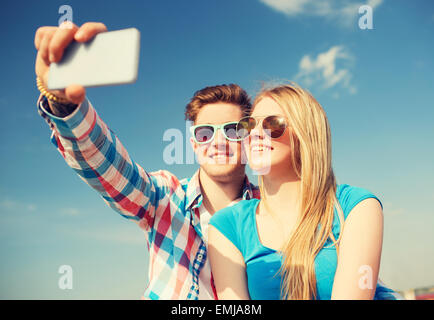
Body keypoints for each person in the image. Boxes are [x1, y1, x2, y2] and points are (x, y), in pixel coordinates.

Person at [34, 21, 259, 299]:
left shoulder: (268, 210)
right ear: (193, 144)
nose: (219, 141)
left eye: (233, 130)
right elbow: (109, 165)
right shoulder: (164, 197)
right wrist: (64, 104)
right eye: (204, 132)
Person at [208, 83, 401, 300]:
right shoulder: (226, 226)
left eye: (273, 124)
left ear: (306, 134)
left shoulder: (356, 206)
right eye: (248, 125)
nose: (255, 134)